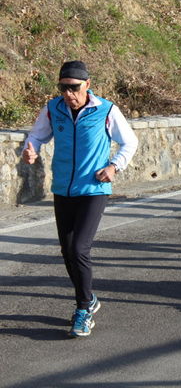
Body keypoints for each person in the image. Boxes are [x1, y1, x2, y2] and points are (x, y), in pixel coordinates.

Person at [21, 60, 138, 337]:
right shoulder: (53, 109)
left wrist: (114, 166)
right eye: (63, 87)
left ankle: (83, 308)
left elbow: (129, 142)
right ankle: (89, 297)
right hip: (63, 188)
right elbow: (36, 137)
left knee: (79, 249)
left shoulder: (106, 110)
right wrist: (31, 149)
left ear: (87, 85)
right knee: (67, 250)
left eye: (73, 87)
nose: (68, 94)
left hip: (94, 188)